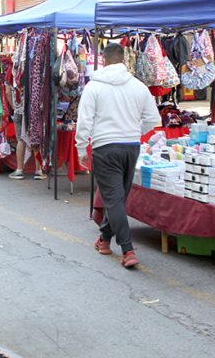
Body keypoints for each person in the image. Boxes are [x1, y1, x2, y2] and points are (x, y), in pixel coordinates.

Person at [75, 43, 161, 269]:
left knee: (114, 199)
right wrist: (135, 130)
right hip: (131, 146)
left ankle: (127, 249)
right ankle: (104, 239)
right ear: (124, 60)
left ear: (103, 60)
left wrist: (81, 148)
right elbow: (153, 118)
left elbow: (84, 121)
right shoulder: (138, 86)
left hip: (105, 146)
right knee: (118, 198)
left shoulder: (94, 87)